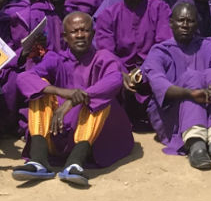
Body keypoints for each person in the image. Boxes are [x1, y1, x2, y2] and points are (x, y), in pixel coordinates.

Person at [14, 11, 134, 185]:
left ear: (92, 34)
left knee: (100, 100)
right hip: (57, 131)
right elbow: (23, 78)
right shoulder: (56, 59)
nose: (79, 35)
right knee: (40, 92)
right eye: (74, 31)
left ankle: (75, 162)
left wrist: (73, 101)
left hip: (94, 136)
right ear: (65, 37)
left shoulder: (103, 57)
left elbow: (115, 79)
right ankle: (39, 160)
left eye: (84, 31)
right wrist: (63, 92)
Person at [144, 1, 211, 169]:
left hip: (210, 106)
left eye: (190, 21)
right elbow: (157, 81)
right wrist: (189, 94)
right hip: (174, 113)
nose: (185, 25)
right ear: (171, 23)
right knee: (193, 78)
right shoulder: (160, 51)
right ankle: (195, 143)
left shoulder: (208, 46)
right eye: (181, 20)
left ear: (196, 24)